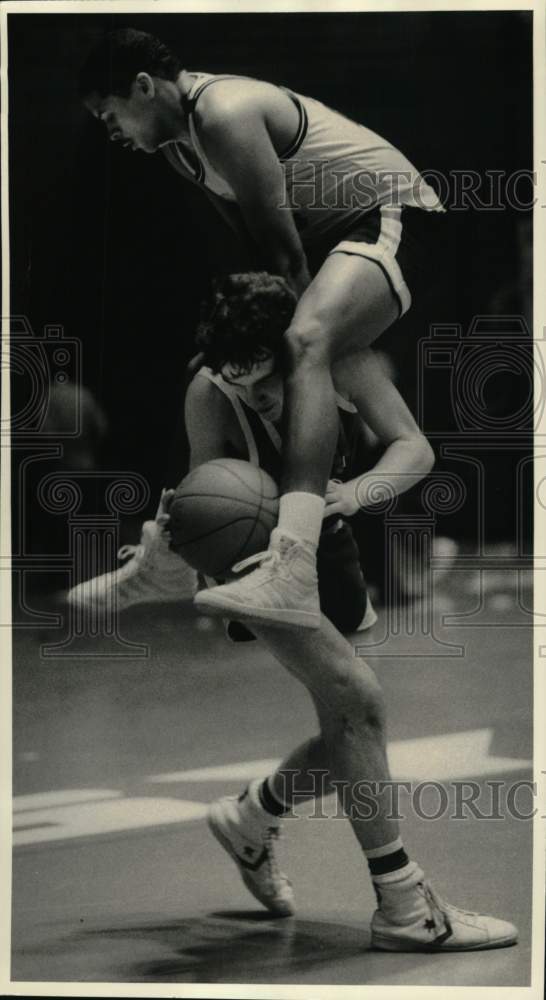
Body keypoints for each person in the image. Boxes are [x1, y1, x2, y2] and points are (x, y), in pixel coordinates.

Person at [68, 273, 517, 950]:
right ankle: (403, 905)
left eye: (266, 382)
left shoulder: (339, 355)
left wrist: (358, 492)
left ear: (294, 347)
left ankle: (254, 816)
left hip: (325, 538)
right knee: (359, 702)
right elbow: (213, 493)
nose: (255, 397)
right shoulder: (209, 390)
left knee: (352, 731)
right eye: (239, 383)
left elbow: (414, 446)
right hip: (255, 555)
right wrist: (198, 538)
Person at [79, 27, 446, 630]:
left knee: (305, 342)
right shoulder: (180, 148)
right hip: (329, 247)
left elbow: (284, 255)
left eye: (108, 114)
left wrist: (296, 352)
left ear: (143, 86)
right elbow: (255, 254)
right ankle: (169, 553)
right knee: (212, 369)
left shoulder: (223, 112)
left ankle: (294, 563)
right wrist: (239, 352)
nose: (110, 131)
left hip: (393, 215)